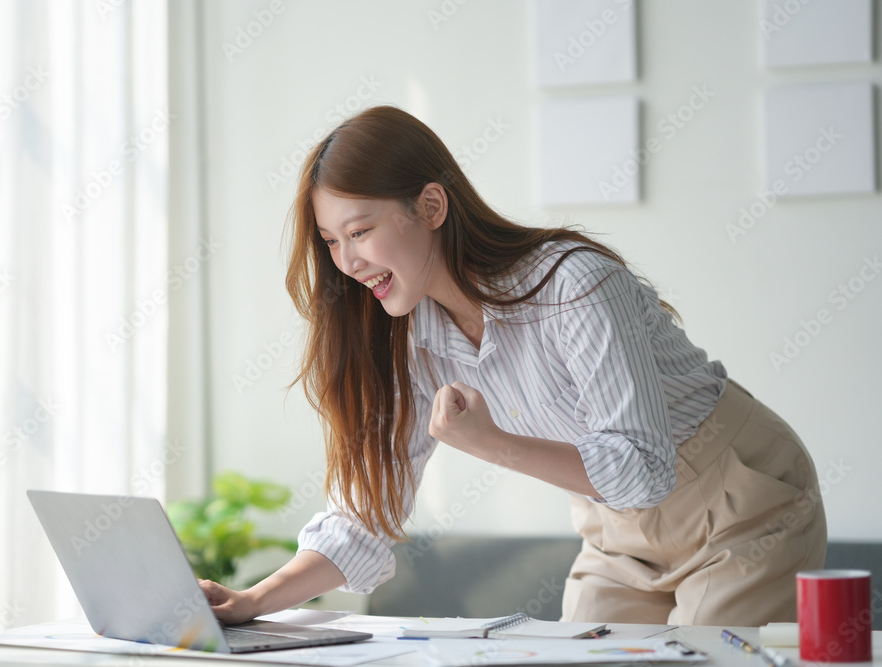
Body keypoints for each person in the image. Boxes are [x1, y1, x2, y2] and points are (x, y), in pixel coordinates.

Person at [198, 104, 827, 626]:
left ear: (432, 207)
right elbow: (364, 516)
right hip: (618, 533)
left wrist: (492, 444)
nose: (347, 261)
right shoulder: (410, 337)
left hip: (741, 503)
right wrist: (251, 601)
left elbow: (643, 468)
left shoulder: (573, 285)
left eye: (359, 231)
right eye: (331, 241)